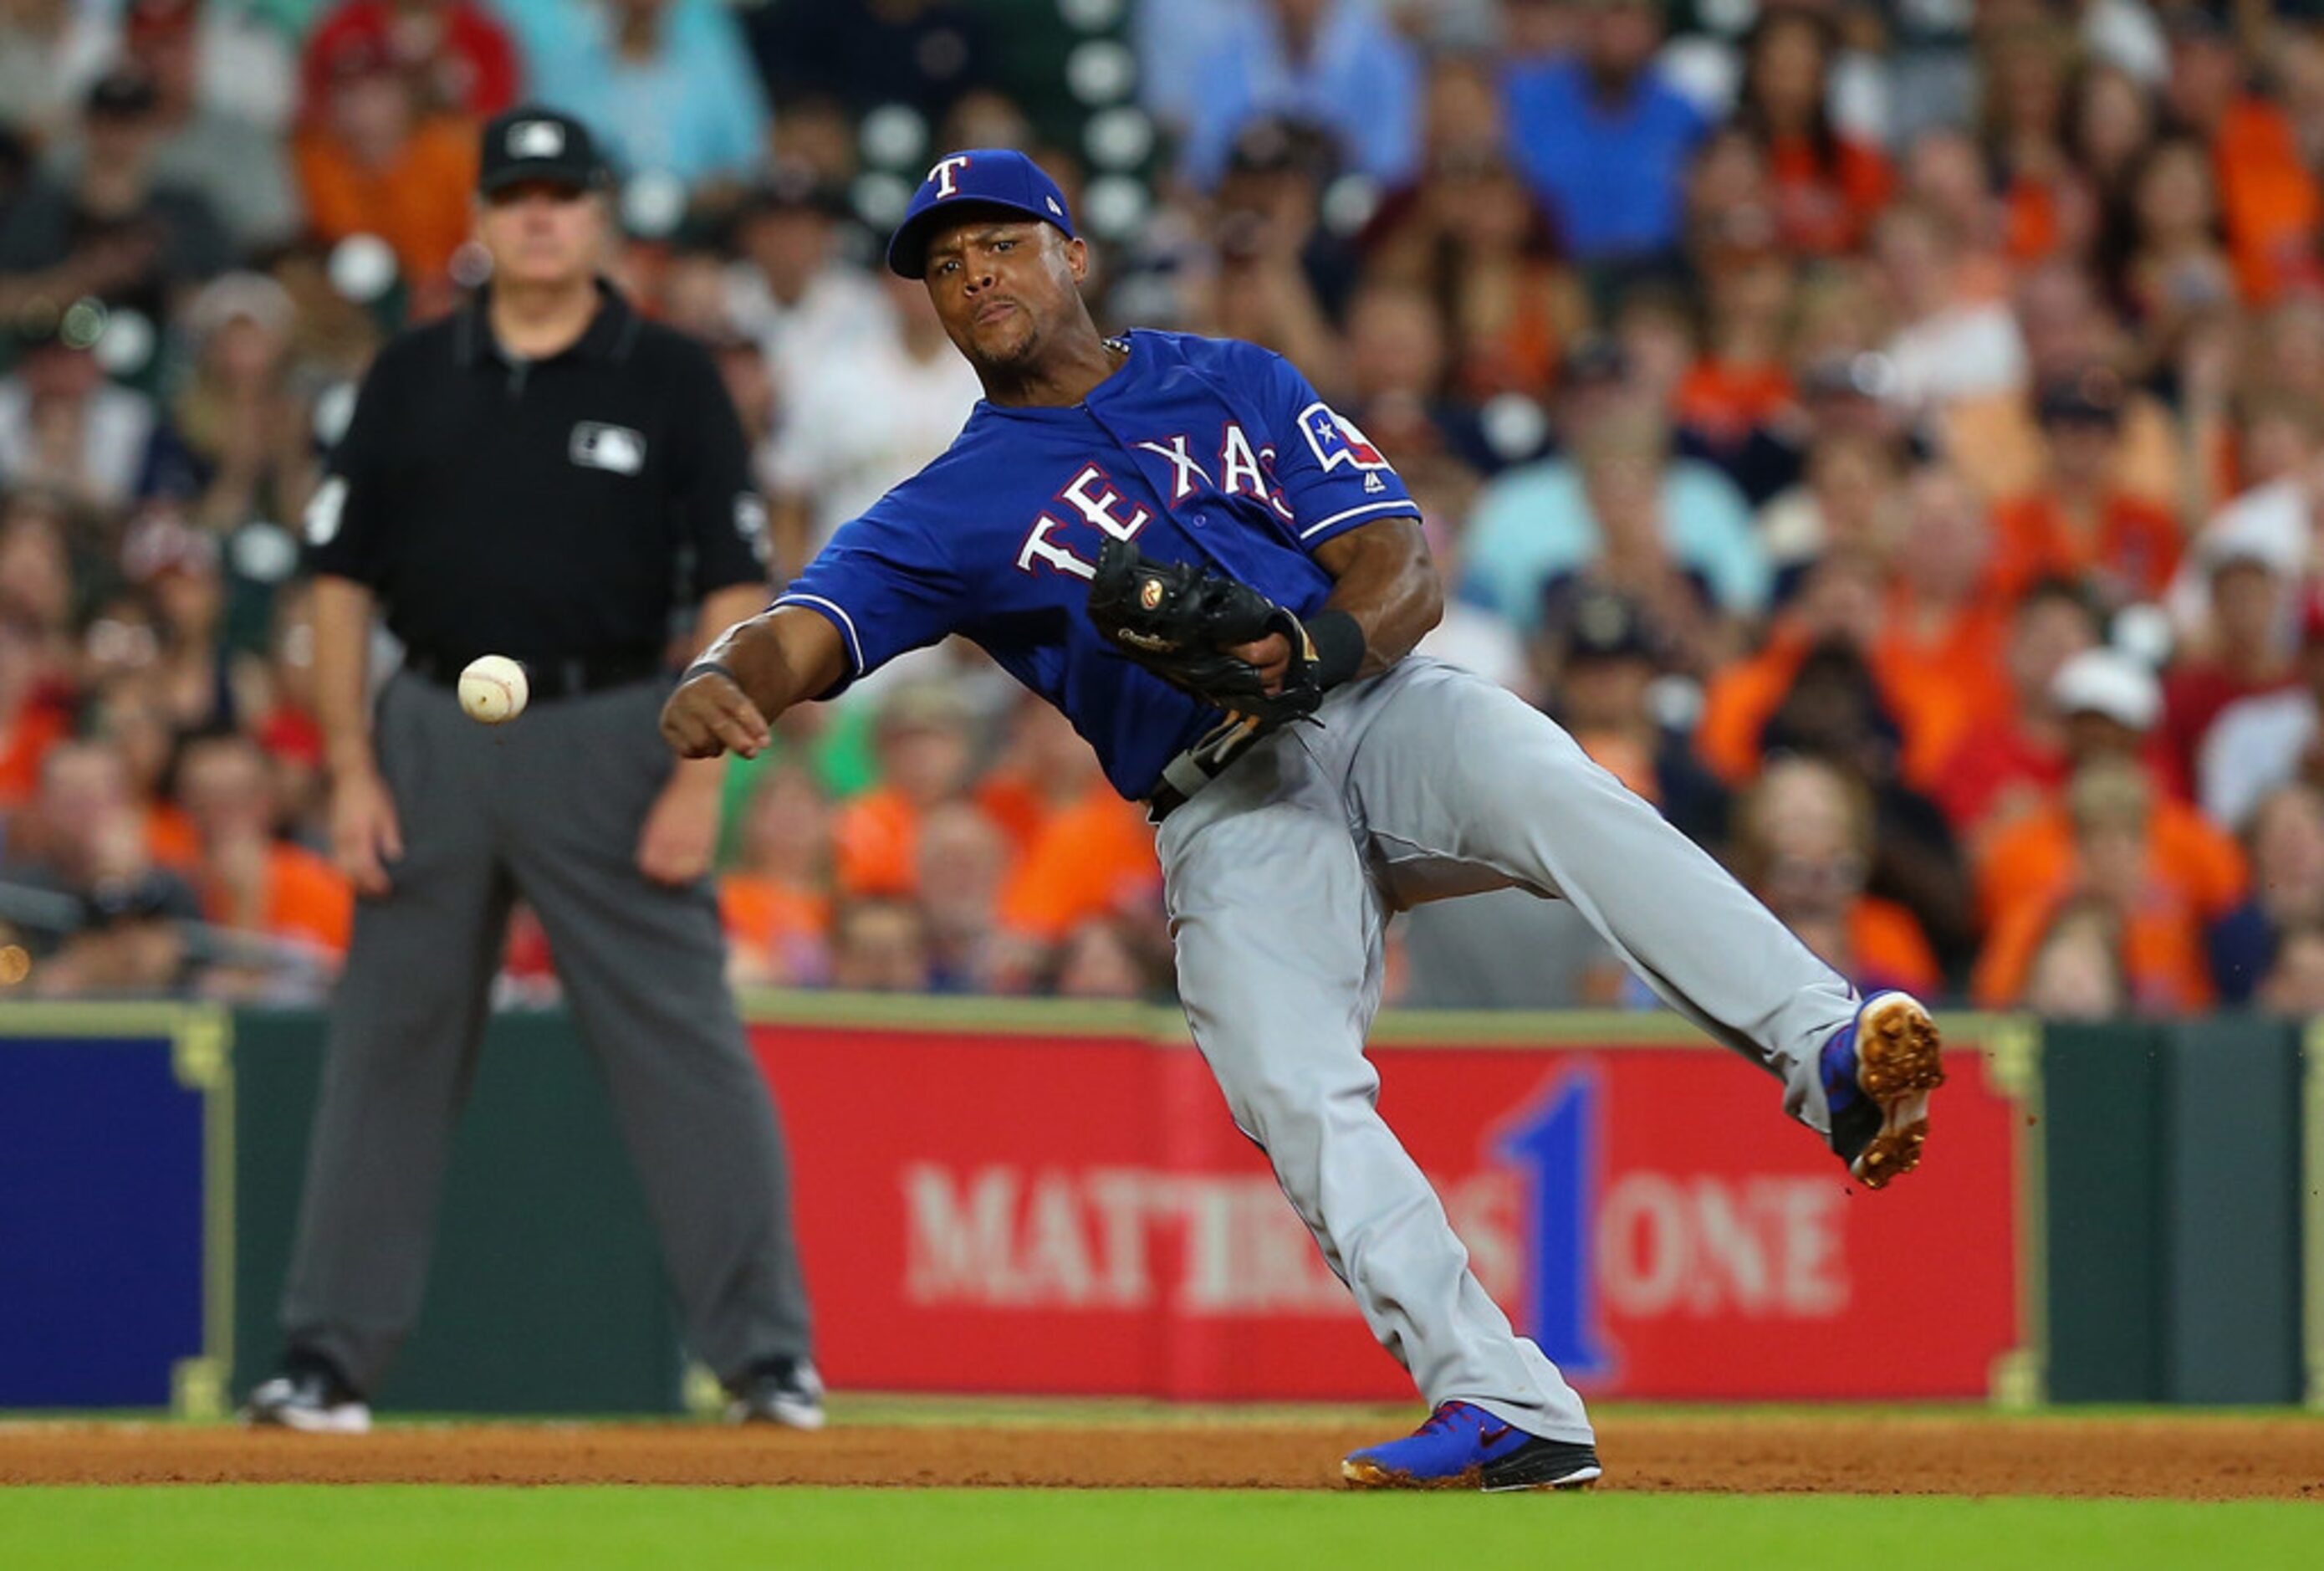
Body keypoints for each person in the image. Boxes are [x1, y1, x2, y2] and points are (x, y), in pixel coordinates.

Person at [660, 149, 1946, 1492]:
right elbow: (805, 622)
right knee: (1287, 1075)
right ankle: (1504, 1402)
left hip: (1379, 706)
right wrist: (724, 677)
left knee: (1561, 786)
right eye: (942, 261)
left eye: (999, 241)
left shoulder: (1235, 379)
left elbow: (1401, 565)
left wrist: (1307, 649)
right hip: (1224, 796)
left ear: (1073, 252)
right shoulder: (951, 504)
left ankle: (1830, 1053)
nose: (971, 271)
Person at [241, 106, 818, 1435]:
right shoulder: (409, 375)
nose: (541, 215)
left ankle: (766, 1361)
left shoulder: (668, 373)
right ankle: (325, 1362)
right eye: (518, 195)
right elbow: (337, 582)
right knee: (386, 1047)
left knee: (684, 1049)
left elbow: (737, 580)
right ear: (484, 221)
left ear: (602, 215)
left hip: (619, 725)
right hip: (429, 731)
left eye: (564, 192)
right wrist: (346, 765)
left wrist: (699, 776)